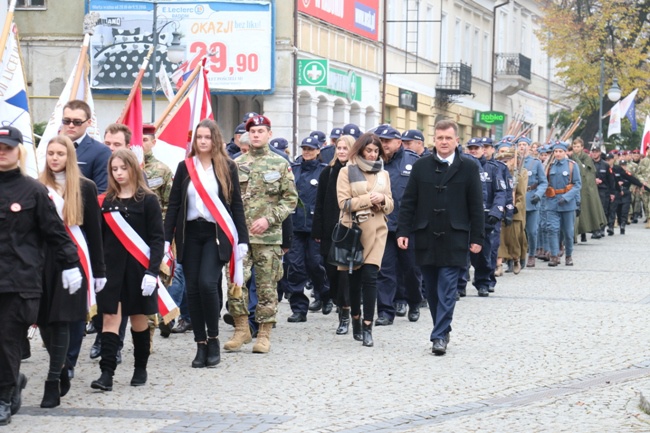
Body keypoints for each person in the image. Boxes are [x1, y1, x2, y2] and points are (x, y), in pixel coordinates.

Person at [0, 126, 82, 424]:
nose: (2, 151)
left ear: (18, 151)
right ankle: (10, 384)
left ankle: (5, 396)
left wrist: (72, 264)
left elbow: (56, 233)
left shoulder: (33, 190)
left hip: (19, 281)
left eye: (7, 147)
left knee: (8, 339)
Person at [164, 119, 249, 367]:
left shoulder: (226, 167)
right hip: (190, 233)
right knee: (192, 289)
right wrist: (165, 240)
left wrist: (242, 239)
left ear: (215, 140)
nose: (202, 141)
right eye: (199, 137)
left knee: (207, 284)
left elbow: (236, 206)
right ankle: (200, 344)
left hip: (215, 233)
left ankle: (213, 339)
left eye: (207, 137)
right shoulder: (184, 167)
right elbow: (174, 206)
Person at [397, 120, 484, 356]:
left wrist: (477, 237)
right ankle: (443, 329)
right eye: (440, 138)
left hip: (455, 236)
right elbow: (409, 202)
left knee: (447, 287)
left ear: (457, 140)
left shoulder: (469, 167)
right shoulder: (421, 166)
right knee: (432, 290)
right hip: (425, 235)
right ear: (433, 140)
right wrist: (403, 231)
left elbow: (476, 205)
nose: (444, 142)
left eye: (448, 138)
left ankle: (438, 336)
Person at [37, 135, 106, 408]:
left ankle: (55, 377)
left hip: (74, 256)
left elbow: (94, 231)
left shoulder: (85, 187)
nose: (55, 158)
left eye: (60, 153)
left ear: (70, 157)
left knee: (63, 318)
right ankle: (61, 364)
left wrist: (99, 270)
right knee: (43, 319)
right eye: (51, 153)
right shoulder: (37, 186)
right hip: (43, 259)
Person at [91, 149, 164, 391]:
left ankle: (140, 367)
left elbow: (156, 239)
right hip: (111, 271)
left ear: (134, 168)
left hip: (138, 271)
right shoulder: (106, 202)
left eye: (123, 168)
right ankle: (107, 373)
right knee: (110, 320)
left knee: (139, 321)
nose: (119, 173)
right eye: (114, 169)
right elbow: (99, 239)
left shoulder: (148, 200)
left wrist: (153, 272)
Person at [225, 115, 298, 354]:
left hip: (268, 238)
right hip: (241, 239)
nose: (256, 135)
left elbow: (290, 199)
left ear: (269, 133)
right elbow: (226, 200)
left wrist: (269, 219)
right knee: (236, 283)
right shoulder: (236, 164)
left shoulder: (280, 163)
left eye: (260, 131)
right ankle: (241, 329)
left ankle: (264, 333)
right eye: (252, 131)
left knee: (267, 286)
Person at [336, 132, 394, 347]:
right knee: (354, 280)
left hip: (377, 230)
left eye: (376, 151)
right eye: (368, 150)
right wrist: (367, 199)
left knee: (371, 277)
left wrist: (383, 200)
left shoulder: (384, 175)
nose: (372, 154)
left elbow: (391, 204)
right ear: (360, 150)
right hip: (353, 232)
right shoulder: (346, 171)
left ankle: (368, 326)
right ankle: (356, 319)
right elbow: (343, 203)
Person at [375, 126, 422, 324]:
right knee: (385, 270)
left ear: (398, 142)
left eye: (388, 140)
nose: (384, 144)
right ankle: (386, 311)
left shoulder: (414, 162)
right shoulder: (373, 163)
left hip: (408, 226)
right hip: (382, 225)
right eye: (381, 140)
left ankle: (414, 302)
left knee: (410, 269)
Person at [312, 135, 355, 334]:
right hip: (330, 231)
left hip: (351, 231)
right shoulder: (328, 172)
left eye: (346, 148)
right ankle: (340, 303)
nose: (342, 151)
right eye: (339, 148)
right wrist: (318, 230)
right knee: (332, 273)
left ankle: (346, 314)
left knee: (346, 274)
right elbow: (319, 203)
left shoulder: (358, 172)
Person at [285, 137, 330, 323]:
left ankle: (325, 294)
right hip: (295, 226)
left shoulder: (324, 171)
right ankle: (298, 308)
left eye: (311, 149)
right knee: (295, 267)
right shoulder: (293, 170)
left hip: (314, 227)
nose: (307, 152)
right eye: (304, 148)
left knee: (316, 264)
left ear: (318, 150)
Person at [543, 142, 582, 266]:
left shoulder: (572, 166)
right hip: (552, 202)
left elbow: (577, 184)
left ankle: (569, 255)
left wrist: (567, 197)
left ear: (565, 152)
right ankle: (554, 256)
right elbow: (545, 182)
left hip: (567, 203)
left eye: (560, 151)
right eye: (556, 152)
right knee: (552, 229)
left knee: (568, 232)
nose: (558, 154)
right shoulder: (550, 166)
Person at [62, 100, 112, 193]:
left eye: (77, 122)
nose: (71, 125)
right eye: (66, 121)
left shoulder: (101, 151)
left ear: (89, 122)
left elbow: (102, 191)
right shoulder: (53, 147)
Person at [496, 148, 529, 274]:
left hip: (515, 212)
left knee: (514, 239)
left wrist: (516, 207)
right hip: (502, 210)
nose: (505, 163)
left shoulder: (520, 174)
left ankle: (516, 259)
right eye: (502, 160)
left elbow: (521, 195)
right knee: (501, 239)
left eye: (507, 160)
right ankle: (499, 265)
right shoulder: (498, 174)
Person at [517, 137, 548, 268]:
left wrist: (538, 194)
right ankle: (517, 256)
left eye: (525, 144)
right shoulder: (514, 162)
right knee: (518, 231)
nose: (522, 147)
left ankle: (531, 255)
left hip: (531, 199)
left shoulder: (535, 163)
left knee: (531, 231)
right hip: (517, 200)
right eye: (520, 145)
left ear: (529, 147)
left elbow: (543, 182)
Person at [570, 138, 606, 242]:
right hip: (574, 187)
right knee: (576, 213)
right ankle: (575, 235)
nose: (575, 148)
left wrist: (576, 159)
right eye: (574, 146)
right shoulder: (570, 156)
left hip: (585, 188)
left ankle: (585, 232)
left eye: (577, 146)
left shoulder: (586, 158)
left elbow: (585, 172)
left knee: (585, 211)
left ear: (582, 147)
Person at [590, 144, 616, 238]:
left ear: (600, 153)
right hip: (592, 190)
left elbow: (611, 180)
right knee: (593, 210)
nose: (594, 154)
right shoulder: (589, 163)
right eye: (593, 152)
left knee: (603, 210)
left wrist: (612, 193)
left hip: (603, 190)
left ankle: (601, 229)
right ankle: (595, 230)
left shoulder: (605, 165)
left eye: (596, 152)